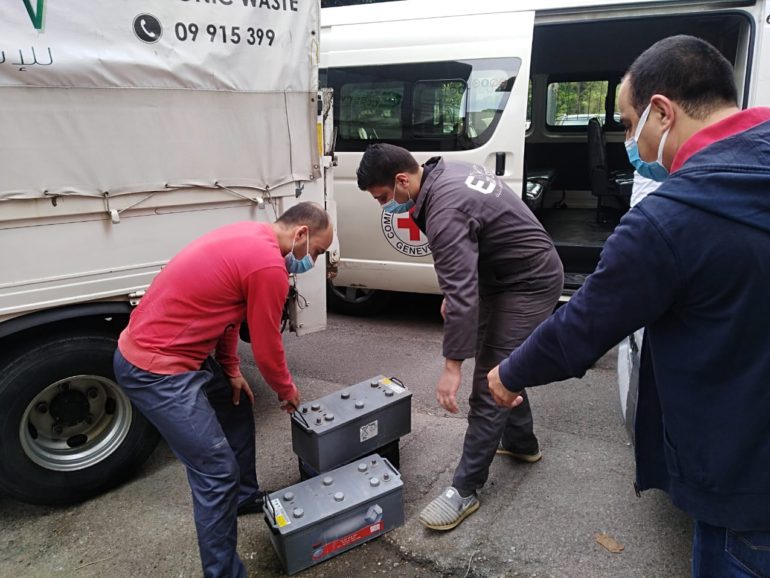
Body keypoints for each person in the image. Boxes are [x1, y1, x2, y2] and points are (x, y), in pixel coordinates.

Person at [487, 35, 770, 577]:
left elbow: (584, 324)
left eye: (627, 121)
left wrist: (511, 372)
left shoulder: (670, 219)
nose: (627, 138)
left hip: (745, 487)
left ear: (661, 112)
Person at [113, 202, 334, 578]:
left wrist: (231, 369)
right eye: (316, 251)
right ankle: (224, 573)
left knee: (235, 403)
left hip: (180, 353)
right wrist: (286, 390)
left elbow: (230, 316)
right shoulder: (268, 266)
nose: (312, 260)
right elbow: (266, 347)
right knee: (216, 473)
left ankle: (245, 496)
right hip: (157, 369)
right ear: (300, 234)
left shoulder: (249, 236)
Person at [356, 144, 564, 531]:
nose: (384, 206)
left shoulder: (445, 207)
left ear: (402, 180)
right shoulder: (444, 173)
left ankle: (464, 490)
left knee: (488, 382)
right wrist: (454, 298)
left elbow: (464, 291)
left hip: (527, 283)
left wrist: (452, 365)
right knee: (501, 367)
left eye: (384, 197)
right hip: (505, 276)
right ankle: (521, 444)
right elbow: (465, 270)